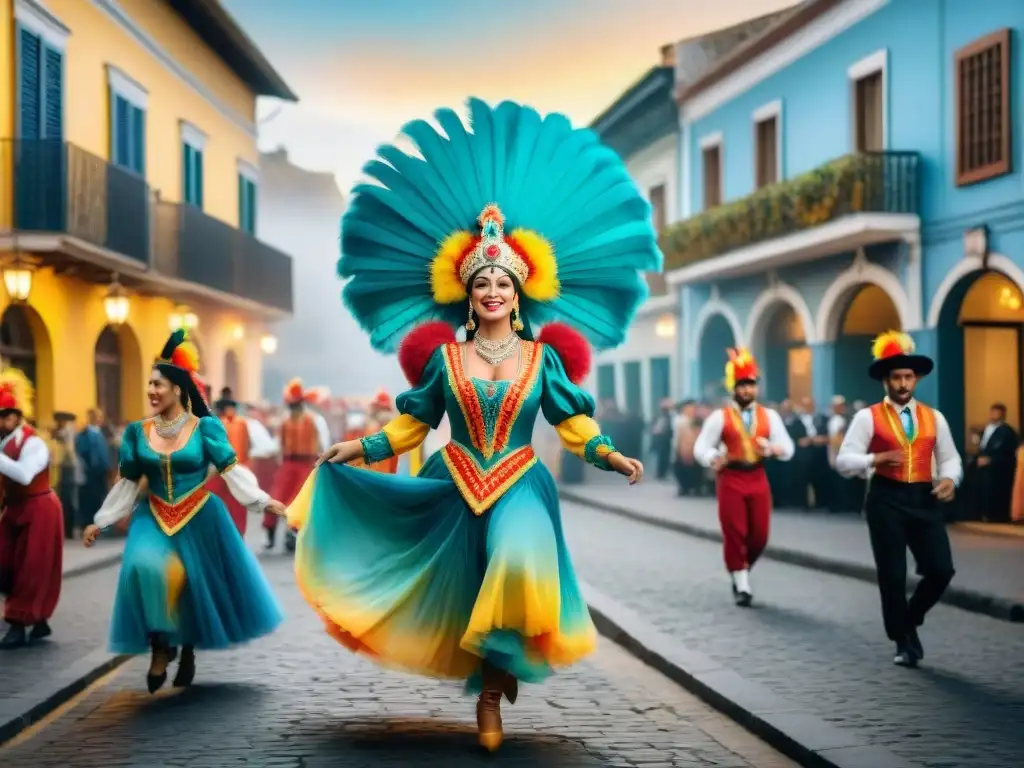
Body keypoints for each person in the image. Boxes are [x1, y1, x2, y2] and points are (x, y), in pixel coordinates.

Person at [287, 98, 656, 752]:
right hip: (453, 482)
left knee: (519, 560)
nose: (492, 291)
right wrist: (359, 447)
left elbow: (572, 425)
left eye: (502, 284)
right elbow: (413, 427)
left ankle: (491, 691)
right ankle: (489, 684)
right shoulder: (445, 359)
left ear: (518, 295)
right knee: (461, 594)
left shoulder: (541, 360)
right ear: (468, 293)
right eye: (482, 282)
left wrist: (610, 455)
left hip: (520, 481)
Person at [82, 330, 286, 691]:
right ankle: (161, 646)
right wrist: (102, 520)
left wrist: (261, 500)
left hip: (200, 514)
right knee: (147, 567)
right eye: (149, 384)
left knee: (191, 582)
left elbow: (230, 468)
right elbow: (128, 482)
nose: (151, 390)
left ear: (177, 389)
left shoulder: (205, 428)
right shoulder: (137, 432)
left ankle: (187, 649)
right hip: (153, 514)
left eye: (158, 384)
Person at [835, 331, 961, 667]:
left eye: (908, 377)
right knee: (892, 576)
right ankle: (903, 641)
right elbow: (844, 461)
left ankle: (910, 617)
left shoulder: (934, 417)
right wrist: (873, 459)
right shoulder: (868, 417)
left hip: (924, 497)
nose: (903, 384)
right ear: (885, 380)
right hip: (885, 499)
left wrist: (950, 479)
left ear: (916, 379)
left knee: (941, 570)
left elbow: (950, 457)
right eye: (896, 377)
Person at [693, 349, 794, 606]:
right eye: (742, 385)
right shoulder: (719, 417)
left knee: (760, 534)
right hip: (731, 477)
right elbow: (701, 447)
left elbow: (787, 447)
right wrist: (714, 457)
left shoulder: (770, 416)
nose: (747, 390)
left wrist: (773, 449)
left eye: (751, 385)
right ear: (733, 388)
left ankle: (742, 567)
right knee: (735, 531)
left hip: (757, 475)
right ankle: (741, 582)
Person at [0, 368, 65, 649]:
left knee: (31, 567)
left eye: (5, 416)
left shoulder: (34, 443)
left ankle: (19, 623)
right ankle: (38, 619)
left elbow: (25, 475)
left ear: (17, 416)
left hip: (40, 509)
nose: (1, 421)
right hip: (14, 509)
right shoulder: (4, 442)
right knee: (5, 563)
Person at [264, 379, 327, 552]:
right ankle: (270, 532)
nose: (293, 408)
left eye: (296, 405)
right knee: (276, 499)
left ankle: (292, 534)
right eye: (291, 405)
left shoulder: (315, 420)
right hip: (288, 464)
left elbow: (323, 444)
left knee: (299, 501)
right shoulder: (284, 422)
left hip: (307, 465)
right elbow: (278, 444)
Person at [206, 387, 251, 534]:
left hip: (220, 472)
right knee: (236, 507)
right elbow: (247, 448)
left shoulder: (215, 424)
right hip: (237, 470)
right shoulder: (241, 423)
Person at [970, 402, 1018, 522]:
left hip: (997, 470)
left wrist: (991, 460)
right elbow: (982, 446)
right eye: (993, 412)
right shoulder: (986, 429)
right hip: (982, 467)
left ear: (1003, 414)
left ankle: (993, 516)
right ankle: (979, 514)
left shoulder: (1007, 432)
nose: (994, 415)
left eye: (997, 413)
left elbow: (1008, 452)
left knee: (994, 493)